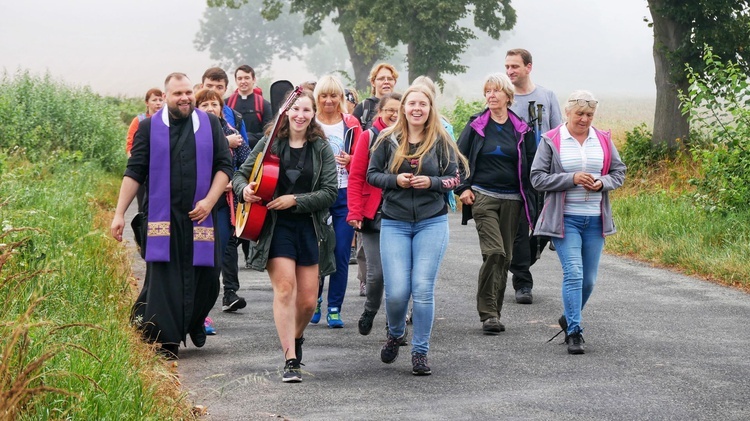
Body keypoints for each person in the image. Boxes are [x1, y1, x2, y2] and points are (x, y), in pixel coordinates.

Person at [110, 73, 233, 360]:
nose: (185, 98)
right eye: (178, 93)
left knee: (207, 277)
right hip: (162, 220)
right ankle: (167, 341)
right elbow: (134, 172)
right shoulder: (149, 128)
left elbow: (224, 167)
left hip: (201, 216)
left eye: (189, 92)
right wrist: (118, 214)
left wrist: (209, 201)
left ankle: (193, 320)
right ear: (166, 97)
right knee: (166, 279)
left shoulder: (210, 124)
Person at [233, 89, 337, 382]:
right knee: (285, 288)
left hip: (310, 228)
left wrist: (296, 200)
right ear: (286, 112)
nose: (301, 115)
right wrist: (245, 190)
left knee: (307, 302)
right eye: (296, 110)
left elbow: (329, 192)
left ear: (313, 114)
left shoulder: (321, 149)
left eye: (307, 110)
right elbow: (240, 174)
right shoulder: (269, 144)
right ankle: (290, 359)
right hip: (275, 226)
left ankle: (296, 337)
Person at [367, 84, 467, 376]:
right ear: (403, 108)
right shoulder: (387, 140)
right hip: (395, 221)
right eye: (412, 104)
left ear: (430, 109)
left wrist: (432, 183)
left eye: (423, 104)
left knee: (423, 289)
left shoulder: (441, 140)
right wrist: (396, 181)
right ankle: (396, 333)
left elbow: (455, 178)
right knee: (397, 292)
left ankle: (420, 352)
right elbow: (372, 175)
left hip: (431, 221)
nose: (417, 109)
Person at [530, 91, 626, 354]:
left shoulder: (603, 139)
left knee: (589, 281)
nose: (585, 120)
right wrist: (570, 179)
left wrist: (601, 182)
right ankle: (574, 330)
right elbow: (537, 178)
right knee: (574, 272)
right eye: (580, 114)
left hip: (595, 220)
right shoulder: (551, 140)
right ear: (567, 113)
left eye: (590, 115)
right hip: (564, 219)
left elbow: (618, 172)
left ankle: (568, 315)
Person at [455, 73, 537, 335]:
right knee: (494, 252)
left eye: (496, 91)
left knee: (506, 257)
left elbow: (533, 165)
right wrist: (463, 188)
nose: (491, 96)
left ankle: (494, 314)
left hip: (513, 200)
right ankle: (488, 313)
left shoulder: (522, 128)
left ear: (507, 96)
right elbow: (458, 158)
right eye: (487, 91)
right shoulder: (476, 125)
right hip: (483, 196)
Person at [505, 48, 563, 305]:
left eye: (514, 66)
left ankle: (519, 262)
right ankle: (522, 283)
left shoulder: (547, 96)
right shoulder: (504, 98)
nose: (509, 71)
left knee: (544, 226)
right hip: (515, 173)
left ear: (529, 67)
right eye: (507, 67)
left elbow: (558, 133)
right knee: (519, 228)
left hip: (545, 173)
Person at [347, 92, 402, 336]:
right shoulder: (369, 137)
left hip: (401, 215)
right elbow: (356, 176)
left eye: (399, 111)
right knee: (377, 273)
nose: (394, 115)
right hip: (372, 215)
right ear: (379, 112)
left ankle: (394, 325)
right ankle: (370, 308)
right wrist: (355, 211)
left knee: (398, 274)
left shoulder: (411, 137)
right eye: (390, 110)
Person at [310, 75, 363, 329]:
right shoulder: (309, 122)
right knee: (317, 252)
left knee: (341, 252)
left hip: (344, 194)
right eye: (324, 95)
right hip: (317, 196)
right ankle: (315, 299)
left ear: (341, 98)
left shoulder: (351, 124)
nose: (329, 100)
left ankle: (334, 307)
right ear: (316, 98)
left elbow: (364, 158)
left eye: (334, 95)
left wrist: (351, 160)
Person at [195, 89, 251, 315]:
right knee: (204, 257)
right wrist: (225, 142)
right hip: (199, 205)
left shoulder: (233, 132)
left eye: (214, 104)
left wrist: (234, 182)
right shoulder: (193, 133)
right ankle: (200, 313)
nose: (210, 108)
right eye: (204, 104)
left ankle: (229, 294)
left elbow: (248, 166)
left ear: (222, 108)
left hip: (226, 204)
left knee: (224, 252)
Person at [126, 88, 163, 214]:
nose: (158, 103)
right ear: (147, 102)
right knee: (143, 206)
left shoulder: (168, 120)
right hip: (144, 169)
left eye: (160, 100)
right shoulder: (139, 121)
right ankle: (141, 233)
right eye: (154, 100)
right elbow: (130, 144)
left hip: (162, 170)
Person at [226, 65, 273, 149]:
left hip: (255, 151)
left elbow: (268, 132)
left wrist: (247, 138)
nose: (243, 81)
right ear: (236, 81)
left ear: (253, 80)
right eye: (240, 78)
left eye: (247, 78)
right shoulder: (226, 104)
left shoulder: (264, 105)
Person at [201, 67, 249, 146]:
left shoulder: (236, 117)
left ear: (225, 89)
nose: (213, 90)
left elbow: (245, 152)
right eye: (209, 86)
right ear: (202, 86)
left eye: (219, 87)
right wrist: (226, 142)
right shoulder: (191, 114)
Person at [352, 63, 399, 130]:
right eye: (381, 79)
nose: (386, 82)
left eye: (390, 79)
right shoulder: (363, 107)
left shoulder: (402, 106)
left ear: (395, 82)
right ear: (373, 82)